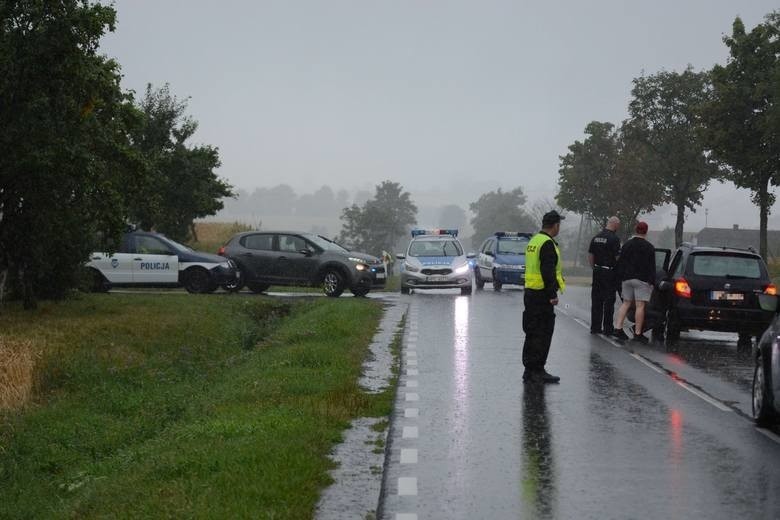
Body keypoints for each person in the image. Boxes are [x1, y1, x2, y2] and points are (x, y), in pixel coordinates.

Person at [522, 210, 566, 384]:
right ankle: (538, 370)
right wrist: (552, 294)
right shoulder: (547, 243)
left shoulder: (534, 240)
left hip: (530, 293)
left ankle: (529, 369)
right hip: (542, 295)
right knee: (543, 333)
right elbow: (547, 271)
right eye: (559, 225)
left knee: (531, 332)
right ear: (555, 226)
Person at [612, 221, 655, 343]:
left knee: (626, 303)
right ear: (646, 232)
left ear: (636, 230)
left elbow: (621, 262)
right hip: (642, 279)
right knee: (640, 306)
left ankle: (618, 328)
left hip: (627, 278)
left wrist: (620, 277)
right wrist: (651, 281)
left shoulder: (627, 245)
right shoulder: (649, 247)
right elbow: (651, 266)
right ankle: (637, 333)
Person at [588, 216, 621, 335]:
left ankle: (595, 327)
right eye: (618, 225)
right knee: (608, 300)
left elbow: (591, 255)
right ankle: (608, 328)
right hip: (609, 272)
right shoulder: (614, 239)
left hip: (597, 271)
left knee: (596, 300)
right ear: (615, 224)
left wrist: (594, 268)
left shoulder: (596, 237)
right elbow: (617, 257)